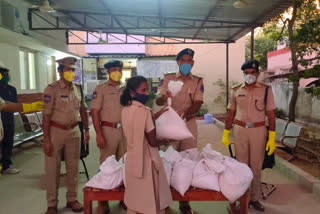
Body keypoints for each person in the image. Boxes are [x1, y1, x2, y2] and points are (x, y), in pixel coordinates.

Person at [221, 59, 276, 213]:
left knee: (256, 166)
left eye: (252, 73)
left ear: (257, 73)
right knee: (240, 166)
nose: (249, 76)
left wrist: (272, 137)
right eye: (246, 73)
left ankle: (255, 198)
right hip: (240, 130)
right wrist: (226, 132)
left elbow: (271, 114)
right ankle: (241, 198)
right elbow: (230, 112)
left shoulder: (266, 90)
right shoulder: (236, 90)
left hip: (258, 131)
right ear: (243, 74)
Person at [156, 48, 204, 214]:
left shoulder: (197, 81)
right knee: (167, 160)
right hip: (170, 125)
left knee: (188, 161)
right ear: (178, 62)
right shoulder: (168, 78)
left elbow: (198, 103)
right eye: (182, 60)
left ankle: (185, 203)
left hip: (188, 124)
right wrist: (163, 96)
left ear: (192, 63)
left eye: (189, 60)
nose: (185, 63)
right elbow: (158, 99)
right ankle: (164, 200)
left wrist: (186, 112)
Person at [42, 57, 90, 214]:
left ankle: (72, 199)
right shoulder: (51, 89)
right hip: (56, 131)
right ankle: (51, 204)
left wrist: (87, 131)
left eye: (73, 70)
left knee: (73, 167)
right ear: (60, 71)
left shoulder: (78, 88)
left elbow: (83, 110)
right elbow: (46, 116)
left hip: (74, 131)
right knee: (52, 169)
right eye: (68, 70)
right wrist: (47, 139)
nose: (71, 73)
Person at [120, 76, 172, 214]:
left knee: (136, 198)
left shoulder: (126, 109)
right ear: (132, 92)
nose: (146, 93)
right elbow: (152, 141)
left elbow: (138, 124)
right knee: (150, 198)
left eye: (147, 90)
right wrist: (165, 140)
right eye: (143, 90)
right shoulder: (145, 111)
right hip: (147, 160)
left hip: (132, 159)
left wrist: (158, 114)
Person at [91, 60, 127, 213]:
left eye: (119, 69)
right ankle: (103, 201)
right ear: (108, 72)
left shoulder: (126, 89)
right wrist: (98, 134)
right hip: (108, 130)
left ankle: (124, 198)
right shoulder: (101, 89)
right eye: (114, 69)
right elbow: (94, 112)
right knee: (106, 165)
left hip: (125, 131)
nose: (117, 71)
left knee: (125, 165)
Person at [0, 62, 18, 174]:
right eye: (4, 75)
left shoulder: (12, 89)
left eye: (7, 75)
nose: (6, 77)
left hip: (9, 119)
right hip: (0, 120)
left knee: (8, 142)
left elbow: (15, 104)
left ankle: (6, 165)